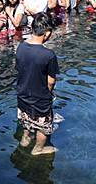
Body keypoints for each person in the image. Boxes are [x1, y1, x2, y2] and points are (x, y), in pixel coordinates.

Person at [16, 12, 59, 156]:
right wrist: (48, 93)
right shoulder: (49, 55)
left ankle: (25, 138)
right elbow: (51, 81)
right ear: (47, 33)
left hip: (22, 95)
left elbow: (20, 69)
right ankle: (38, 148)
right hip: (40, 99)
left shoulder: (20, 47)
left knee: (26, 119)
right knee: (43, 127)